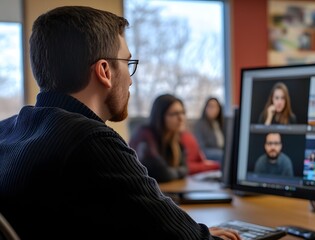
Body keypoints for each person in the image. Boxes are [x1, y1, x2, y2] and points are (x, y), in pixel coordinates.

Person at [0, 6, 240, 240]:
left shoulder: (7, 130)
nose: (131, 81)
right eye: (127, 63)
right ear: (105, 71)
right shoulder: (90, 141)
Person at [129, 94, 188, 183]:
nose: (181, 118)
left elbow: (185, 168)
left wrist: (175, 172)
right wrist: (178, 172)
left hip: (162, 190)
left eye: (182, 113)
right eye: (174, 114)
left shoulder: (174, 139)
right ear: (160, 116)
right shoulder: (145, 135)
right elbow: (162, 173)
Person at [193, 97, 225, 162]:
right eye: (210, 106)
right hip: (207, 153)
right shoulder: (200, 125)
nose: (212, 109)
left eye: (215, 107)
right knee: (223, 155)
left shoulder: (220, 124)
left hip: (220, 152)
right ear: (205, 108)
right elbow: (201, 148)